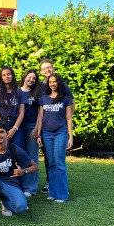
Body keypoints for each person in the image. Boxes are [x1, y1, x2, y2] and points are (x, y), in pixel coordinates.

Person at [39, 59, 75, 194]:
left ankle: (61, 192)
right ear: (41, 72)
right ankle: (52, 187)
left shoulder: (63, 87)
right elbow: (40, 115)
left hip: (60, 129)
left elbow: (70, 107)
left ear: (53, 68)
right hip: (47, 131)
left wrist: (65, 120)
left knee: (59, 162)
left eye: (49, 67)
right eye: (44, 68)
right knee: (50, 160)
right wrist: (38, 133)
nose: (47, 70)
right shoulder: (41, 89)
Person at [0, 66, 27, 149]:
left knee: (18, 151)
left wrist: (14, 129)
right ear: (1, 77)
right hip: (1, 123)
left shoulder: (19, 92)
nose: (7, 76)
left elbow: (21, 113)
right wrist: (2, 129)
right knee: (2, 151)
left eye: (9, 74)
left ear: (12, 75)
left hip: (15, 125)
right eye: (4, 75)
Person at [18, 69, 42, 197]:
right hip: (19, 126)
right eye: (29, 77)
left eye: (34, 78)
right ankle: (20, 185)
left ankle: (31, 188)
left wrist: (36, 129)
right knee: (20, 156)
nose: (31, 80)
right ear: (24, 77)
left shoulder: (37, 92)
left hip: (32, 125)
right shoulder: (17, 91)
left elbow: (40, 112)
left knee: (32, 157)